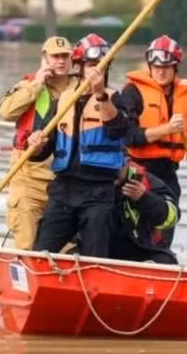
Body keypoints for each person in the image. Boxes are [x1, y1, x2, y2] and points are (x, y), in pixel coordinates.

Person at [27, 33, 128, 258]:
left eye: (101, 65)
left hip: (98, 192)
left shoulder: (115, 99)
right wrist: (36, 144)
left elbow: (118, 130)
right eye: (92, 65)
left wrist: (100, 94)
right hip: (63, 189)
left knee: (95, 256)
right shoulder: (62, 100)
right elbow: (44, 148)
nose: (96, 71)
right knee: (41, 253)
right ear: (80, 66)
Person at [121, 34, 187, 247]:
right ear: (149, 65)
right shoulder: (132, 93)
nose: (160, 71)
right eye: (156, 66)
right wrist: (166, 129)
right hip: (136, 173)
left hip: (168, 177)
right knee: (132, 236)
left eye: (166, 67)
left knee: (162, 237)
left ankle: (161, 258)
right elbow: (129, 137)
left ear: (175, 67)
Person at [0, 36, 78, 249]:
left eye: (65, 56)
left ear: (72, 59)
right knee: (26, 242)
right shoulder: (29, 85)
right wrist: (37, 84)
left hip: (65, 180)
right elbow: (5, 111)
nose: (61, 61)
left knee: (66, 248)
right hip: (28, 178)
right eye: (55, 56)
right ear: (45, 59)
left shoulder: (81, 88)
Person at [109, 161, 180, 264]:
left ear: (127, 161)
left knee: (165, 260)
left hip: (139, 248)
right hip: (98, 249)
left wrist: (144, 198)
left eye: (117, 164)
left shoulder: (143, 179)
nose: (113, 170)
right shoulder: (89, 182)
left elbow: (172, 216)